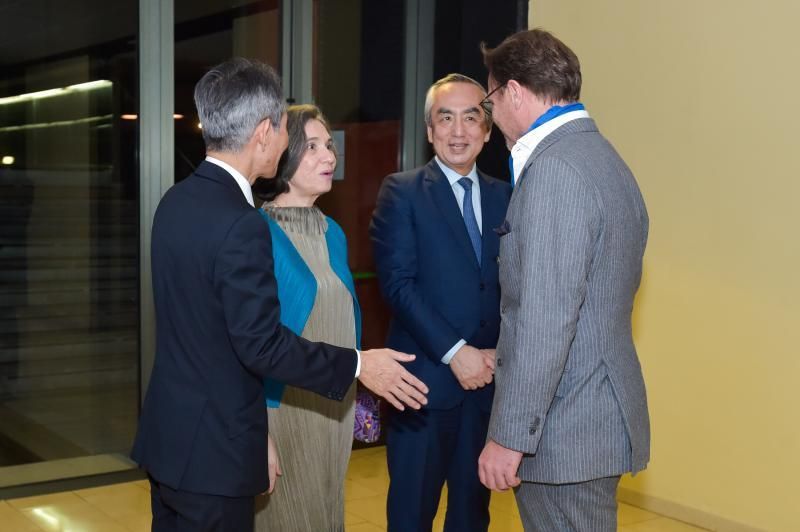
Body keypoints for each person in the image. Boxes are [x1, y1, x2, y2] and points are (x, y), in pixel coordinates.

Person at [131, 58, 428, 532]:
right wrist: (359, 364)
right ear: (265, 132)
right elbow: (261, 344)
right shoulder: (243, 224)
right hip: (216, 453)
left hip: (171, 440)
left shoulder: (176, 200)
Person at [476, 29, 650, 531]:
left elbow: (546, 319)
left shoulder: (556, 171)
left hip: (567, 428)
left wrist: (509, 436)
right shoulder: (605, 160)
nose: (492, 114)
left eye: (489, 101)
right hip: (592, 418)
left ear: (512, 92)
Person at [370, 73, 512, 532]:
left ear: (487, 130)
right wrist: (457, 353)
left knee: (473, 515)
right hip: (423, 389)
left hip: (487, 388)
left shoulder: (507, 197)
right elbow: (397, 284)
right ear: (429, 131)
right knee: (412, 515)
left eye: (471, 118)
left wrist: (500, 353)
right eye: (444, 119)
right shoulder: (402, 191)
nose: (458, 131)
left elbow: (519, 285)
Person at [251, 104, 357, 531]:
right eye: (311, 146)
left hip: (333, 407)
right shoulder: (257, 233)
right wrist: (259, 431)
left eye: (329, 146)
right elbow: (251, 343)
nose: (328, 157)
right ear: (284, 155)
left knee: (326, 511)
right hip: (283, 412)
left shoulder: (333, 232)